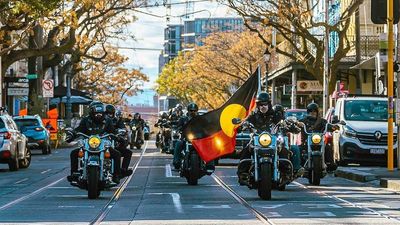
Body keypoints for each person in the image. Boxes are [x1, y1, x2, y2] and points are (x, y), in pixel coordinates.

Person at [67, 102, 122, 184]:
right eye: (96, 113)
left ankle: (116, 175)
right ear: (92, 112)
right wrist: (72, 134)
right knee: (74, 153)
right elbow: (79, 129)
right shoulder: (86, 120)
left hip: (103, 145)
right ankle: (74, 174)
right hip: (88, 145)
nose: (98, 115)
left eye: (100, 113)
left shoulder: (107, 120)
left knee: (117, 154)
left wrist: (118, 136)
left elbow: (112, 131)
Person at [237, 92, 275, 184]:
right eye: (260, 104)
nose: (263, 106)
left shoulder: (275, 114)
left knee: (284, 149)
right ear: (257, 105)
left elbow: (282, 121)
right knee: (246, 149)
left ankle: (287, 172)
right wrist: (243, 124)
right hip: (257, 138)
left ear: (269, 104)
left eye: (265, 104)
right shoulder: (253, 115)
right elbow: (245, 121)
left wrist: (286, 123)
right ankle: (243, 173)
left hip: (273, 139)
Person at [105, 104, 133, 177]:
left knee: (127, 152)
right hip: (97, 144)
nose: (109, 115)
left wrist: (121, 131)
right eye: (107, 113)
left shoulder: (117, 120)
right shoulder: (98, 120)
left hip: (112, 142)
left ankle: (123, 170)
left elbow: (122, 127)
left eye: (110, 113)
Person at [172, 103, 199, 169]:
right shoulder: (183, 118)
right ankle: (176, 161)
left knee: (208, 144)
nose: (193, 112)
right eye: (191, 110)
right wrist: (177, 129)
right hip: (185, 138)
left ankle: (210, 165)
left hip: (198, 139)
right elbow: (178, 126)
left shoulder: (200, 119)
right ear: (188, 110)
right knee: (178, 143)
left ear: (197, 111)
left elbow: (206, 126)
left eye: (194, 110)